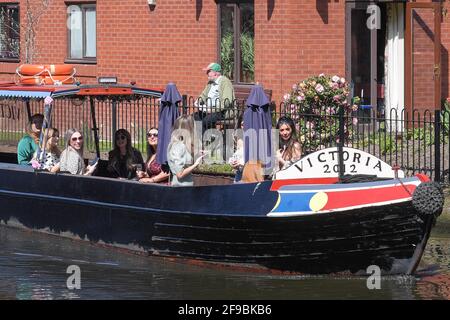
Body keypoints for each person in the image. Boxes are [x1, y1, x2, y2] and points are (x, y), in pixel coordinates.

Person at [195, 62, 235, 132]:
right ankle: (201, 138)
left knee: (206, 120)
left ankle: (207, 139)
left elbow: (226, 102)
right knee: (195, 117)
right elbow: (204, 95)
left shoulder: (225, 82)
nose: (207, 73)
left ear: (215, 73)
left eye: (209, 71)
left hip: (223, 111)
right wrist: (198, 101)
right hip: (209, 109)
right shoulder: (210, 82)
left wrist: (212, 110)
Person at [167, 115, 205, 186]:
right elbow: (180, 174)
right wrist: (195, 164)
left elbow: (185, 163)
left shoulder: (181, 145)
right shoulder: (178, 146)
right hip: (181, 188)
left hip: (185, 186)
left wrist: (197, 154)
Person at [229, 116, 244, 183]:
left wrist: (241, 163)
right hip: (239, 176)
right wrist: (232, 162)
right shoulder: (239, 139)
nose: (243, 127)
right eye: (242, 125)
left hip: (250, 176)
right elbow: (236, 156)